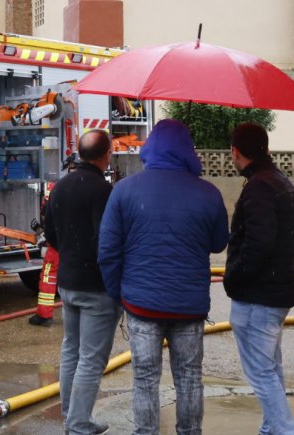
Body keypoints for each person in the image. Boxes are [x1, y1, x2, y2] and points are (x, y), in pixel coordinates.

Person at [98, 119, 229, 435]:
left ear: (150, 148)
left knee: (144, 378)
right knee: (189, 376)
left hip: (141, 305)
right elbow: (219, 242)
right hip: (190, 307)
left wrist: (120, 295)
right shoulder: (209, 193)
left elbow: (107, 252)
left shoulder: (124, 190)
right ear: (188, 151)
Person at [225, 123, 294, 434]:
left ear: (235, 152)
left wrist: (235, 278)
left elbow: (259, 243)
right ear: (265, 148)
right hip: (275, 292)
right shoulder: (278, 181)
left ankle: (283, 430)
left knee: (261, 372)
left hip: (258, 296)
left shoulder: (259, 187)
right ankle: (272, 428)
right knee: (270, 368)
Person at [46, 129, 119, 435]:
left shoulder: (60, 186)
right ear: (106, 155)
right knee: (91, 358)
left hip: (68, 281)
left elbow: (50, 234)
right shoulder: (102, 190)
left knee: (71, 350)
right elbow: (108, 239)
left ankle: (71, 414)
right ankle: (78, 423)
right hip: (96, 286)